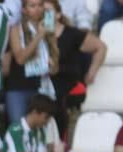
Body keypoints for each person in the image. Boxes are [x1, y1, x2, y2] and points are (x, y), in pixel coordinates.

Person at [47, 0, 104, 140]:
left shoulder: (71, 34)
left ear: (58, 14)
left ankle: (61, 142)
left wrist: (92, 72)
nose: (45, 15)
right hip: (48, 82)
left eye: (49, 11)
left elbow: (100, 47)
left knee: (57, 99)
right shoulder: (37, 34)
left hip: (69, 83)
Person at [3, 0, 57, 126]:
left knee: (40, 130)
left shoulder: (47, 27)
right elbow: (20, 59)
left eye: (40, 5)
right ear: (24, 9)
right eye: (32, 6)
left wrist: (51, 64)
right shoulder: (15, 27)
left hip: (41, 86)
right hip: (18, 87)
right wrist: (39, 36)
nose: (37, 9)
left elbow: (55, 63)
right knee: (19, 127)